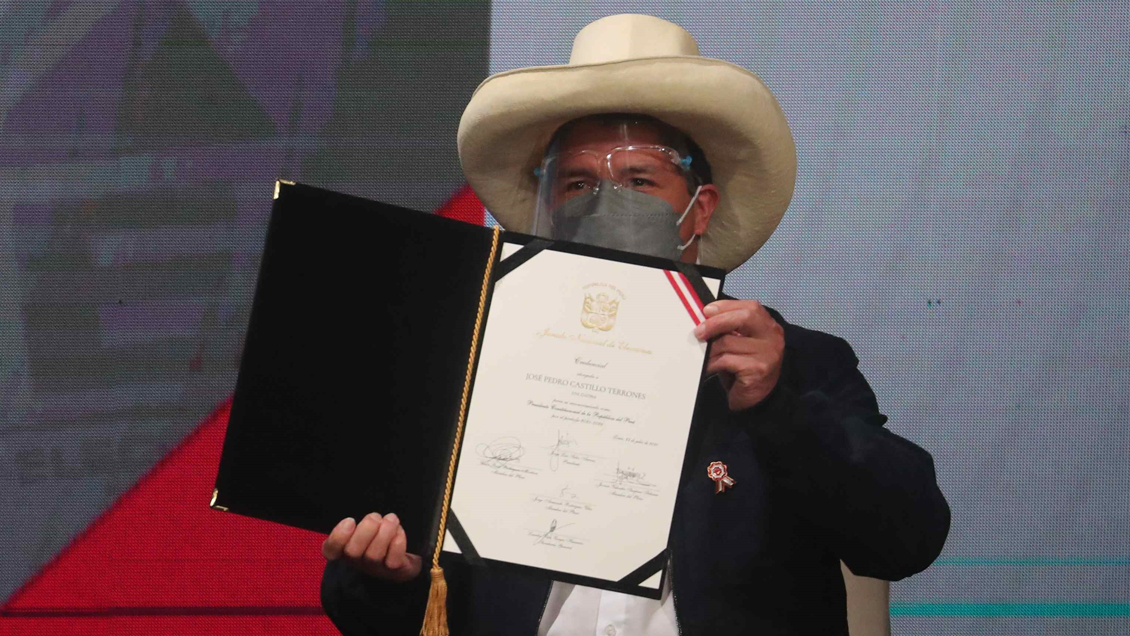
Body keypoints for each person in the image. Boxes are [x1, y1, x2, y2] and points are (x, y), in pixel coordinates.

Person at [319, 14, 950, 635]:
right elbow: (382, 599)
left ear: (700, 209)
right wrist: (384, 578)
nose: (604, 201)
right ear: (548, 208)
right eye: (576, 182)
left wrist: (777, 406)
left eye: (639, 180)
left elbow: (906, 538)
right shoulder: (479, 362)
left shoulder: (790, 363)